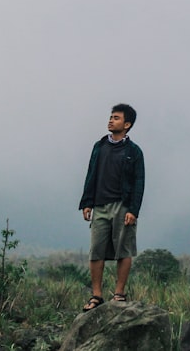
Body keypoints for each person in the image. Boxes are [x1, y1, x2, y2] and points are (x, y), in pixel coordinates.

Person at [78, 103, 145, 311]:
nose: (110, 120)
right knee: (96, 251)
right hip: (100, 205)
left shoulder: (134, 152)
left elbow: (139, 182)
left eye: (116, 118)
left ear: (127, 124)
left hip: (122, 206)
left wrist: (133, 210)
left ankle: (119, 293)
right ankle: (96, 295)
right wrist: (87, 202)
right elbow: (91, 174)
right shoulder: (99, 147)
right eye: (111, 116)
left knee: (123, 250)